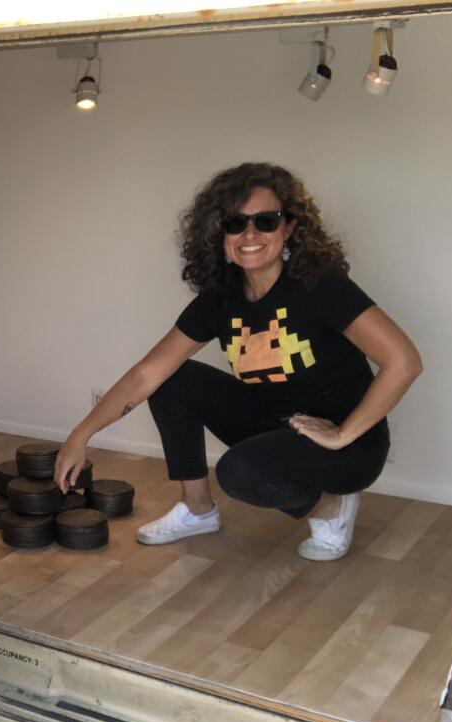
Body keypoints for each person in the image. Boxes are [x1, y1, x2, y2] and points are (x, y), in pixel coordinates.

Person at [56, 162, 422, 561]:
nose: (250, 235)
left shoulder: (319, 286)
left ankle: (332, 507)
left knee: (238, 472)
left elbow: (403, 361)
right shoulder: (222, 297)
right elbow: (148, 372)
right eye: (236, 222)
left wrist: (344, 433)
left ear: (290, 228)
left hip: (347, 448)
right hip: (275, 423)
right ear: (220, 232)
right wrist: (81, 435)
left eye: (265, 221)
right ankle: (197, 510)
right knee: (172, 379)